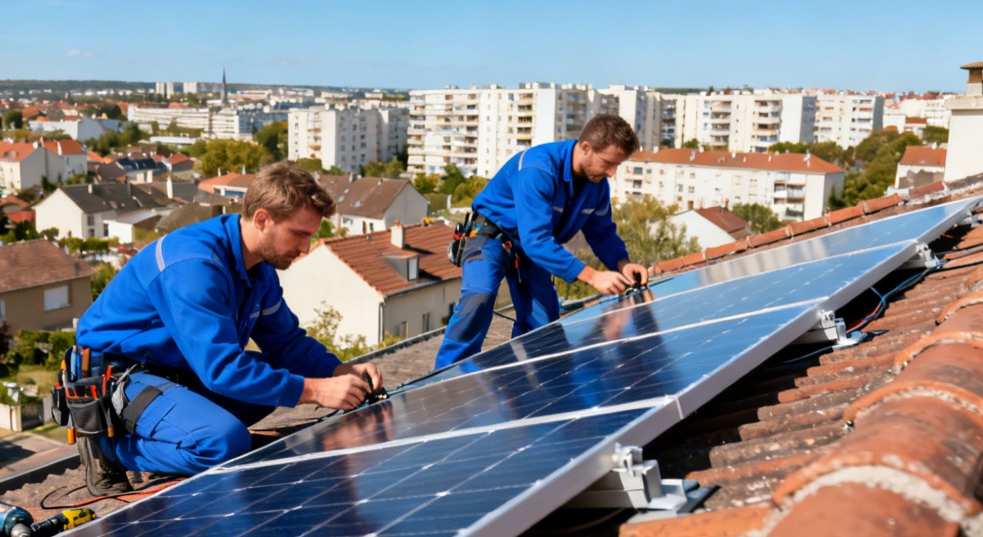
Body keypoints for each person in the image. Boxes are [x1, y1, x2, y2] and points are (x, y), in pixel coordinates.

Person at [73, 162, 382, 495]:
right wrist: (317, 391)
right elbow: (221, 369)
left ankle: (179, 424)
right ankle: (110, 449)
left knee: (273, 381)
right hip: (117, 376)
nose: (306, 248)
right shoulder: (193, 267)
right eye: (300, 234)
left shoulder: (259, 270)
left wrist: (336, 370)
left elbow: (286, 343)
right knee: (225, 443)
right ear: (263, 219)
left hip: (176, 372)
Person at [434, 113, 650, 370]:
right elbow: (536, 239)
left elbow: (602, 234)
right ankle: (447, 376)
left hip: (533, 248)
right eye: (608, 163)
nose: (612, 173)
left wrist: (622, 263)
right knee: (479, 297)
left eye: (617, 165)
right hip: (491, 235)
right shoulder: (538, 168)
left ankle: (523, 381)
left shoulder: (597, 185)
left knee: (544, 322)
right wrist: (592, 276)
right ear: (586, 148)